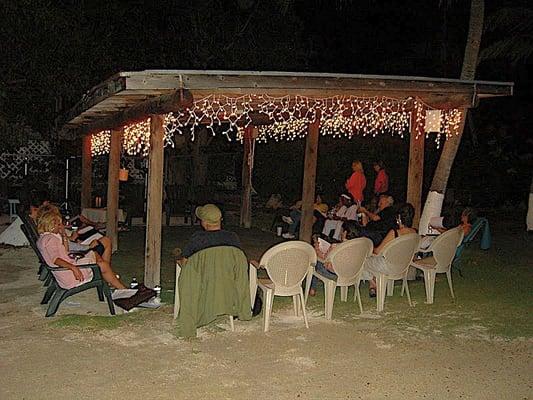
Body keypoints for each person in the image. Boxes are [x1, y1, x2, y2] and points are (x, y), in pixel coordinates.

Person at [36, 210, 126, 290]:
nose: (61, 226)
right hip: (69, 275)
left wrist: (63, 236)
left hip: (65, 270)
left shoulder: (44, 238)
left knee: (95, 256)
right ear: (52, 225)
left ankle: (113, 281)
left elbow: (66, 250)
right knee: (103, 265)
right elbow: (56, 259)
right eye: (59, 224)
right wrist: (73, 268)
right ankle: (123, 289)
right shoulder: (50, 240)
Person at [363, 203, 417, 297]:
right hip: (403, 266)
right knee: (373, 262)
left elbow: (377, 251)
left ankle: (373, 283)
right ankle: (373, 285)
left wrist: (368, 250)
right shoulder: (414, 232)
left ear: (398, 218)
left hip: (389, 266)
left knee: (363, 261)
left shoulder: (395, 232)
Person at [308, 220, 363, 297]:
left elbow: (324, 258)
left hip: (334, 274)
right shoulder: (360, 248)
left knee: (316, 263)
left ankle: (312, 289)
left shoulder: (335, 247)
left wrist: (317, 249)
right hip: (351, 274)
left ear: (345, 233)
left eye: (341, 230)